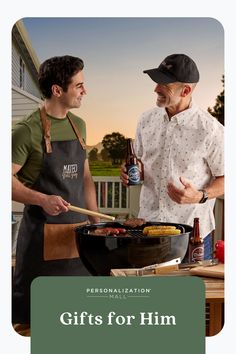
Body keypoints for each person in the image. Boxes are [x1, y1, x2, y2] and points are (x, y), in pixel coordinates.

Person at [12, 55, 99, 329]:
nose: (85, 91)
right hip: (40, 247)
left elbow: (85, 177)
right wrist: (42, 199)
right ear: (57, 90)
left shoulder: (79, 125)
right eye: (79, 85)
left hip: (79, 244)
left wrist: (96, 221)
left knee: (80, 321)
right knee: (36, 324)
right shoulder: (26, 130)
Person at [120, 53, 224, 260]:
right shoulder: (145, 120)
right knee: (150, 292)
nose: (156, 89)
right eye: (157, 82)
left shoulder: (211, 129)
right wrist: (131, 172)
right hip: (148, 230)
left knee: (188, 293)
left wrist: (200, 195)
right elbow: (139, 163)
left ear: (185, 90)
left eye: (164, 84)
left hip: (191, 236)